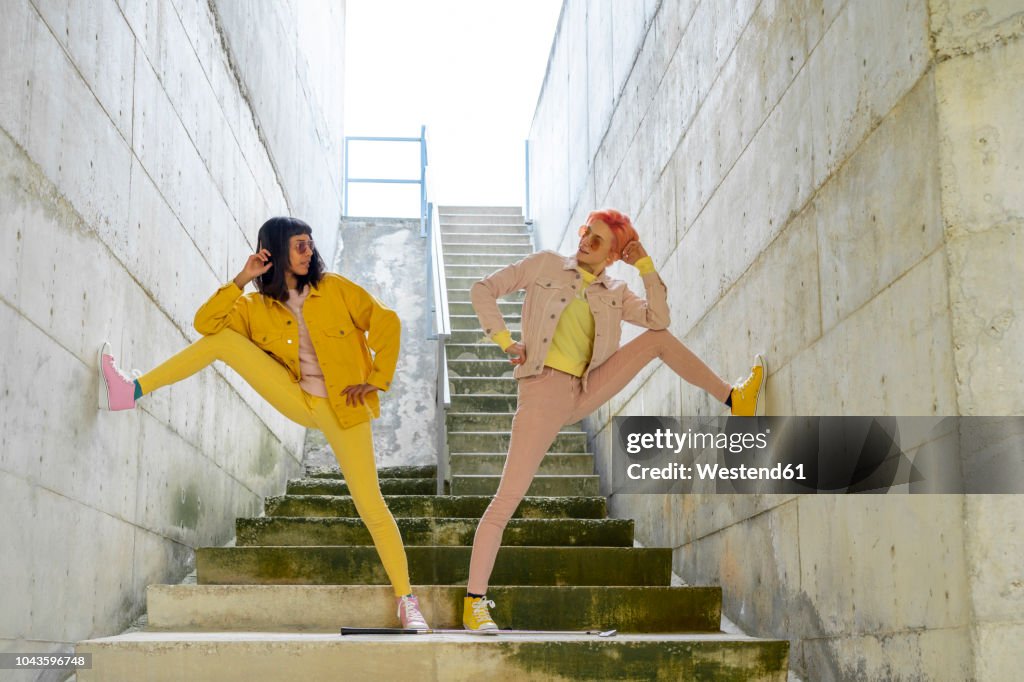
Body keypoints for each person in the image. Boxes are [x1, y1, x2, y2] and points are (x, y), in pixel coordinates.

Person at [97, 216, 429, 630]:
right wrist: (241, 279)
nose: (309, 251)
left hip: (343, 409)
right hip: (296, 397)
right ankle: (130, 392)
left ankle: (407, 602)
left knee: (372, 506)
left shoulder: (337, 289)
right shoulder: (256, 308)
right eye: (299, 245)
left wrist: (375, 380)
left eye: (310, 244)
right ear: (275, 250)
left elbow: (387, 323)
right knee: (220, 342)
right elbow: (206, 325)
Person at [462, 209, 765, 631]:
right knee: (505, 502)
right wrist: (503, 340)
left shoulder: (616, 290)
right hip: (542, 391)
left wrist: (644, 264)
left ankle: (735, 399)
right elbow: (483, 290)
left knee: (657, 338)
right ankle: (474, 602)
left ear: (612, 255)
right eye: (587, 233)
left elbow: (660, 319)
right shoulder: (546, 264)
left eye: (598, 240)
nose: (585, 241)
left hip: (585, 387)